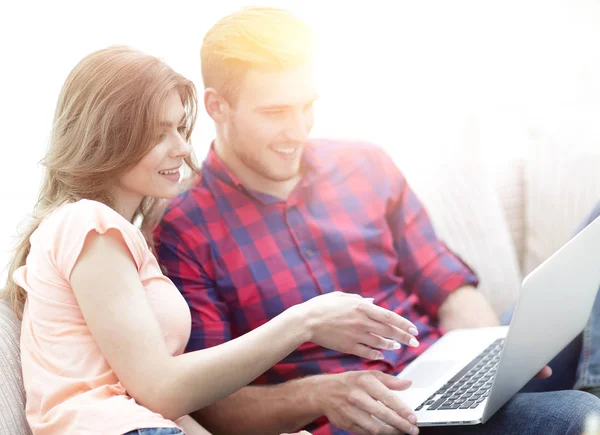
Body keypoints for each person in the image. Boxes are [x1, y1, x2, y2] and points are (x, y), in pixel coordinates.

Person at [155, 7, 600, 435]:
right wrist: (319, 395)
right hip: (371, 421)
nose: (299, 130)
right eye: (275, 112)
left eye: (307, 104)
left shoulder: (363, 163)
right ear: (217, 106)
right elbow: (214, 405)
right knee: (575, 416)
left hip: (446, 376)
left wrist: (495, 357)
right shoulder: (183, 229)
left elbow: (446, 287)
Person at [1, 45, 420, 435]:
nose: (183, 148)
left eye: (182, 128)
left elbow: (158, 402)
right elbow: (160, 390)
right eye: (159, 133)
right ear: (106, 136)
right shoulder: (87, 222)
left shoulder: (117, 235)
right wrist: (303, 322)